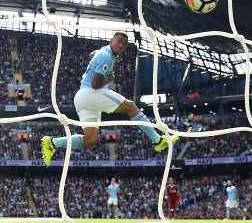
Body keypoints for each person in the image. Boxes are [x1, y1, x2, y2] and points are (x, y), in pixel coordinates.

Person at [41, 32, 178, 166]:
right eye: (118, 41)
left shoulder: (104, 51)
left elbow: (91, 55)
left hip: (82, 98)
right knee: (130, 106)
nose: (121, 45)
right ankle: (157, 141)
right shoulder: (107, 56)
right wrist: (110, 78)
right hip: (91, 93)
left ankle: (52, 143)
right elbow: (95, 84)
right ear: (111, 41)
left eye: (124, 45)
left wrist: (98, 57)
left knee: (90, 139)